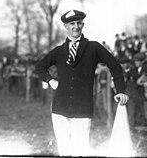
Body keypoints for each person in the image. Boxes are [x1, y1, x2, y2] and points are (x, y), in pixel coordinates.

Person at [35, 9, 129, 156]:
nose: (76, 27)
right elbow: (39, 67)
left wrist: (120, 90)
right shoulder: (59, 51)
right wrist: (51, 80)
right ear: (66, 27)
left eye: (79, 23)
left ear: (83, 25)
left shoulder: (93, 47)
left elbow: (115, 66)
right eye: (72, 24)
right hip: (59, 107)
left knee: (81, 149)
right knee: (64, 149)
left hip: (82, 107)